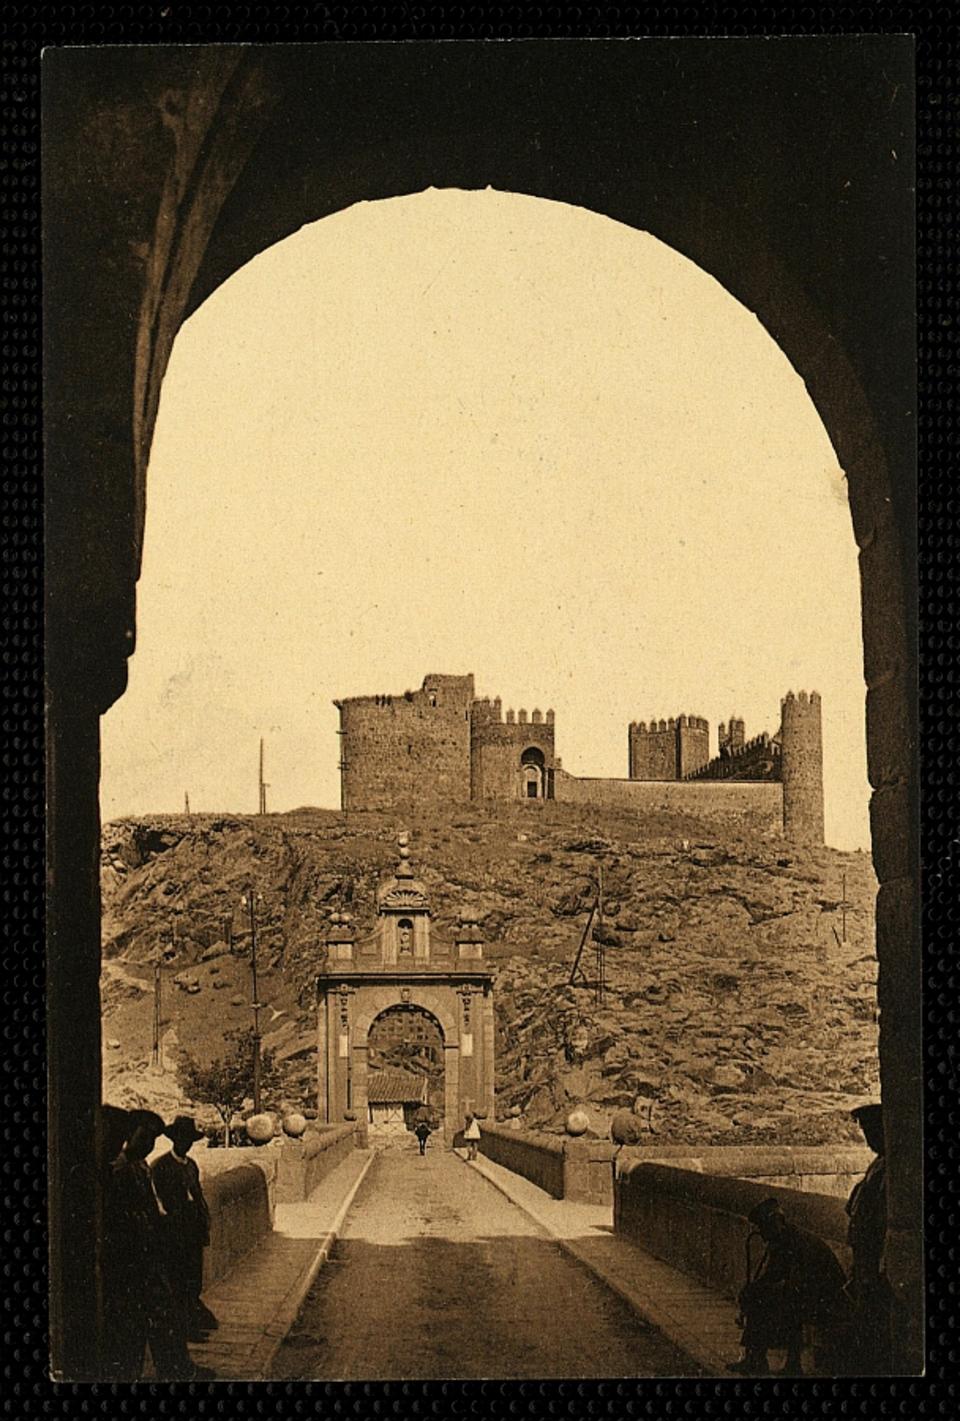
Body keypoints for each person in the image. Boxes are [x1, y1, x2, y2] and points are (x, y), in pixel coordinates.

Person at [108, 1108, 213, 1382]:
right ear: (130, 1136)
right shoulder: (120, 1170)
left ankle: (178, 1369)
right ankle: (173, 1370)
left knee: (164, 1315)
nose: (149, 1144)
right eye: (144, 1137)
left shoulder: (142, 1167)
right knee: (146, 1322)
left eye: (153, 1139)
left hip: (149, 1255)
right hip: (131, 1260)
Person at [728, 1197, 848, 1377]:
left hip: (829, 1300)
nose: (762, 1233)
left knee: (785, 1303)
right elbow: (772, 1276)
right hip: (811, 1295)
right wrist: (751, 1291)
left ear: (777, 1223)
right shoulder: (782, 1239)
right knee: (760, 1295)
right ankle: (756, 1358)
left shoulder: (800, 1243)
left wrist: (761, 1291)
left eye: (764, 1227)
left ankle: (788, 1363)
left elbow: (800, 1284)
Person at [152, 1115, 217, 1341]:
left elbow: (198, 1197)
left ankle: (191, 1322)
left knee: (193, 1279)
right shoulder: (161, 1167)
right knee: (177, 1281)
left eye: (188, 1140)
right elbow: (158, 1203)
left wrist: (203, 1223)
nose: (185, 1143)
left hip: (192, 1231)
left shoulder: (191, 1166)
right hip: (174, 1232)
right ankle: (184, 1328)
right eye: (182, 1139)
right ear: (174, 1139)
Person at [845, 1102, 892, 1372]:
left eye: (871, 1133)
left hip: (874, 1261)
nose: (868, 1141)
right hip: (864, 1258)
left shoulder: (888, 1168)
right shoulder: (879, 1164)